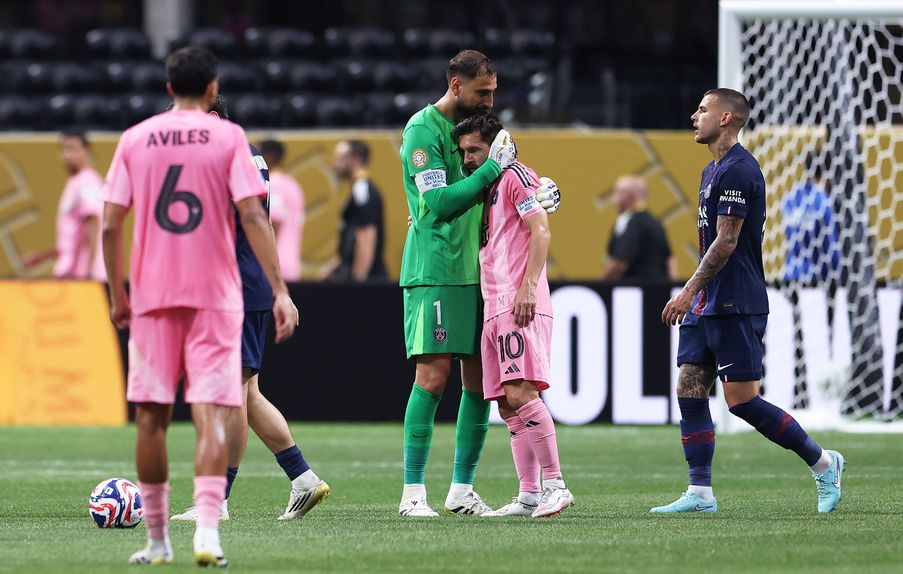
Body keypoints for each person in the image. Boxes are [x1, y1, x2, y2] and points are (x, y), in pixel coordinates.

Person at [101, 46, 298, 566]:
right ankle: (208, 530)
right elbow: (254, 217)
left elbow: (109, 223)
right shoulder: (230, 137)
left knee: (151, 418)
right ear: (213, 88)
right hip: (215, 295)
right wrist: (279, 290)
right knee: (214, 411)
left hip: (153, 294)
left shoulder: (135, 139)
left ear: (169, 88)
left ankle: (157, 540)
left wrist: (118, 296)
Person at [656, 88, 844, 514]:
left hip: (735, 300)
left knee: (742, 401)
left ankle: (824, 463)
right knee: (690, 387)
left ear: (725, 118)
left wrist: (687, 290)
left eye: (702, 110)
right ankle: (700, 492)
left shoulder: (740, 170)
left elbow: (726, 241)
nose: (694, 115)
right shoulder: (711, 170)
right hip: (708, 301)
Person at [398, 49, 560, 517]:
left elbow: (503, 190)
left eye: (493, 91)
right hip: (437, 270)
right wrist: (494, 168)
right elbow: (442, 203)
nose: (490, 101)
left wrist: (538, 190)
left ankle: (461, 489)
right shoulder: (422, 131)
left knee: (480, 384)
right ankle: (413, 494)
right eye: (482, 92)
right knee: (432, 377)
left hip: (481, 272)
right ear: (456, 87)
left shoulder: (481, 131)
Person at [169, 96, 329, 524]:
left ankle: (217, 500)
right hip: (247, 285)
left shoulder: (224, 157)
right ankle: (302, 478)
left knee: (231, 397)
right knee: (247, 393)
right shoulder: (248, 155)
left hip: (233, 290)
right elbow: (257, 223)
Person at [452, 112, 574, 518]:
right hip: (494, 304)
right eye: (464, 151)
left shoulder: (516, 174)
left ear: (496, 145)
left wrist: (527, 287)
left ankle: (556, 485)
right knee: (506, 404)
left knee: (522, 392)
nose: (468, 158)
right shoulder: (488, 185)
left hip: (517, 301)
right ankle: (528, 495)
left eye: (475, 149)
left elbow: (541, 231)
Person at [24, 130, 106, 280]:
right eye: (65, 149)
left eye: (73, 149)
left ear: (86, 152)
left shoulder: (87, 181)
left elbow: (93, 223)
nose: (68, 155)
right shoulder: (74, 182)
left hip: (81, 276)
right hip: (71, 273)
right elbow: (69, 241)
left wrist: (89, 272)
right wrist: (42, 257)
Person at [319, 140, 388, 281]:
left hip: (368, 279)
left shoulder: (362, 190)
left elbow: (367, 235)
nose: (334, 163)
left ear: (355, 160)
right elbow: (351, 238)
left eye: (339, 158)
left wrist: (358, 283)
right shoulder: (357, 190)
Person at [602, 175, 677, 281]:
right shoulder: (656, 223)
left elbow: (620, 262)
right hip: (660, 291)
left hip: (634, 291)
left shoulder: (630, 223)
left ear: (630, 197)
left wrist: (603, 285)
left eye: (617, 193)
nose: (613, 200)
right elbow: (670, 260)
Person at [259, 139, 305, 282]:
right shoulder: (293, 185)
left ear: (269, 156)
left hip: (275, 269)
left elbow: (273, 224)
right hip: (291, 266)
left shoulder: (273, 184)